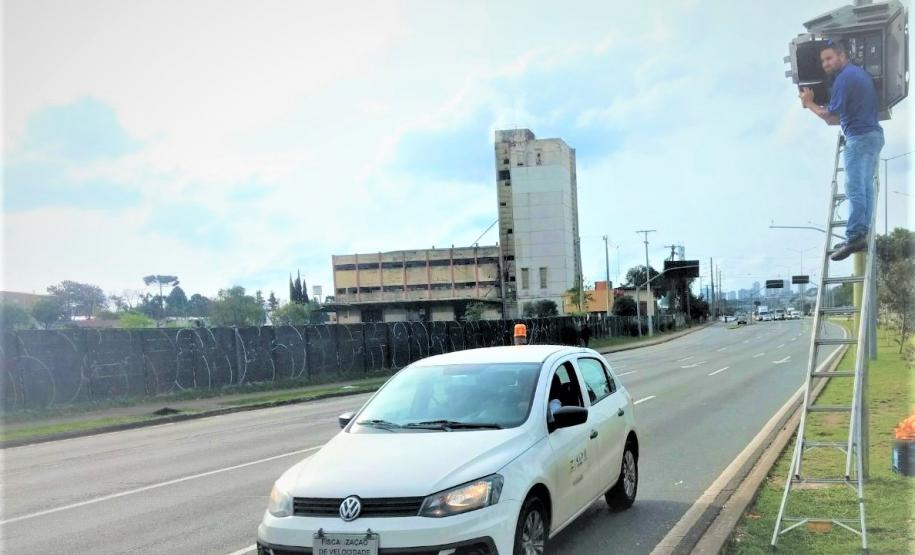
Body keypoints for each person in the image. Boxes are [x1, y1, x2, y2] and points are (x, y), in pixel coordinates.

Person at [799, 40, 884, 262]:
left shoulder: (844, 79)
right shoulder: (858, 74)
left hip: (859, 137)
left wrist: (809, 103)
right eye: (823, 61)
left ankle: (855, 235)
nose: (825, 64)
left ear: (842, 56)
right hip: (873, 135)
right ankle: (859, 233)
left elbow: (830, 116)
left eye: (829, 58)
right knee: (864, 188)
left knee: (854, 188)